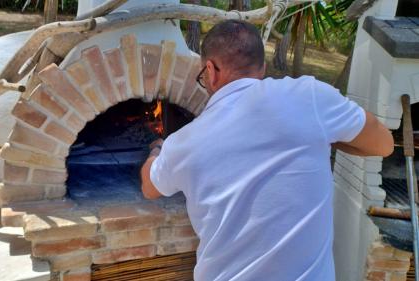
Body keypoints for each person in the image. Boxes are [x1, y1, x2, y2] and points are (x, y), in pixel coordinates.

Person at [140, 19, 393, 281]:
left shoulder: (184, 142)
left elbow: (150, 187)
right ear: (262, 67)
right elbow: (383, 144)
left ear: (210, 70)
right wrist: (323, 136)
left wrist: (157, 149)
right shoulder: (310, 97)